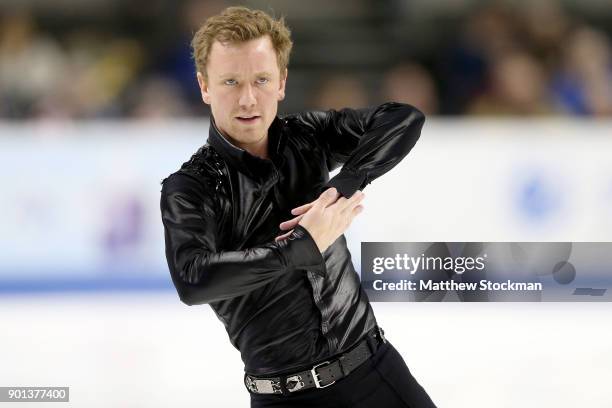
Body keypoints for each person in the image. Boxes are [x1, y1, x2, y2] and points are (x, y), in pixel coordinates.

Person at [160, 6, 436, 408]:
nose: (248, 98)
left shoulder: (308, 136)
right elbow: (192, 280)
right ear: (204, 86)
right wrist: (300, 247)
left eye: (261, 79)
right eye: (231, 82)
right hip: (285, 397)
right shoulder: (191, 188)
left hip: (375, 373)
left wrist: (345, 182)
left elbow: (402, 118)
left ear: (281, 83)